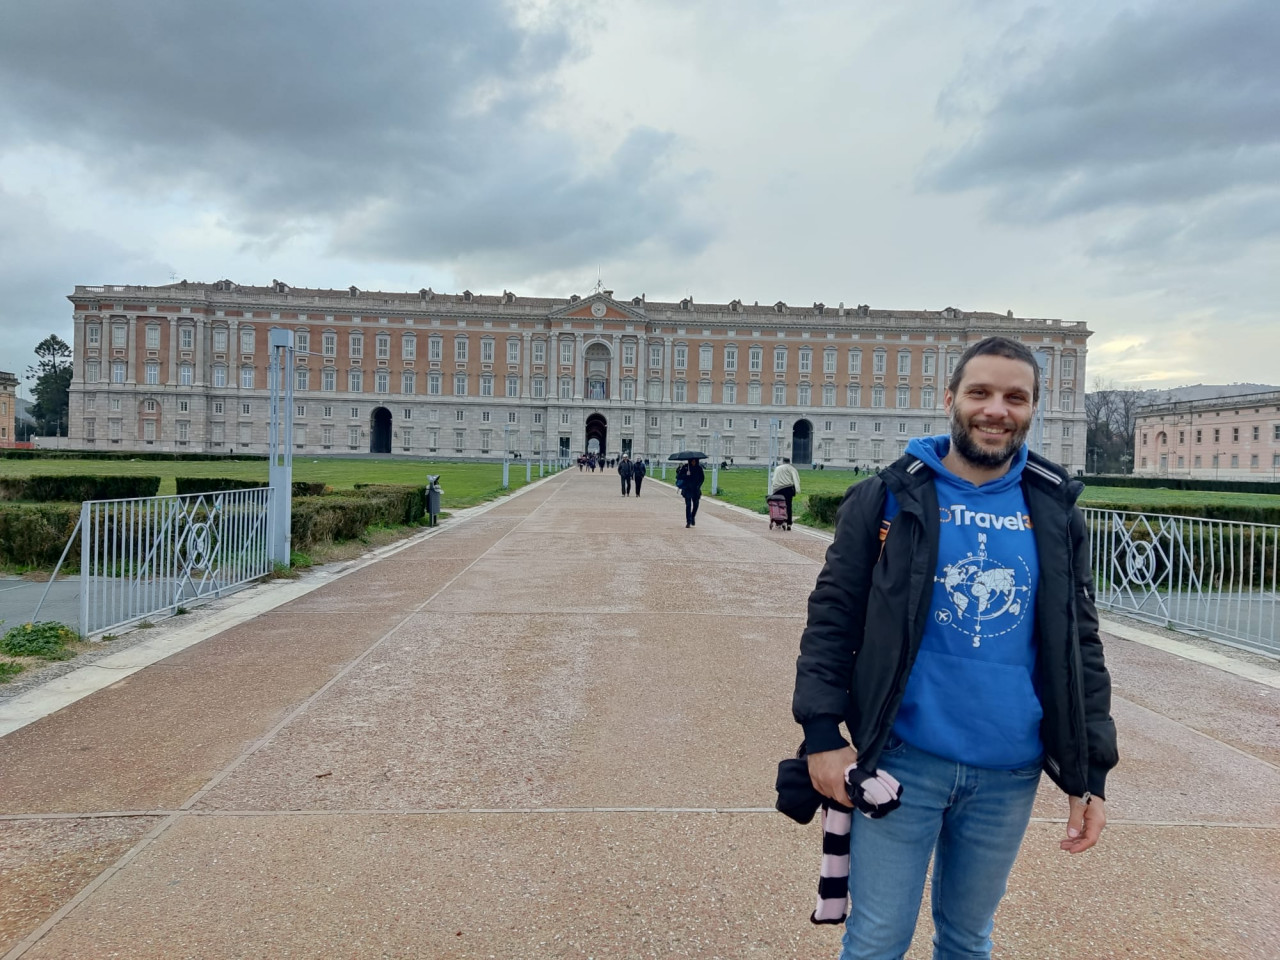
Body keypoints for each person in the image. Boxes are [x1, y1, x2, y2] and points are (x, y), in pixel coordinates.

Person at [791, 336, 1117, 960]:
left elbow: (1081, 646)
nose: (996, 409)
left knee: (969, 941)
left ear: (1032, 410)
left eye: (1014, 397)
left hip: (1009, 769)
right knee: (878, 939)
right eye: (980, 392)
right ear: (951, 400)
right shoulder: (886, 496)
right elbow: (832, 620)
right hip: (903, 760)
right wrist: (822, 734)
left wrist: (1089, 773)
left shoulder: (1054, 510)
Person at [770, 456, 801, 530]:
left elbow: (774, 479)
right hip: (788, 489)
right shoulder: (792, 468)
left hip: (778, 489)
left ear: (783, 462)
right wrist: (797, 489)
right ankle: (789, 523)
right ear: (789, 462)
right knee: (788, 506)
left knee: (778, 505)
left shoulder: (777, 468)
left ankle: (779, 522)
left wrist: (773, 490)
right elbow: (796, 479)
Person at [678, 457, 705, 528]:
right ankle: (688, 521)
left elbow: (702, 478)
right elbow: (679, 476)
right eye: (692, 461)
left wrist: (698, 486)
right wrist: (686, 475)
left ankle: (692, 516)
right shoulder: (686, 467)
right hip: (687, 489)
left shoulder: (699, 468)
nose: (693, 462)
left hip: (695, 489)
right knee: (688, 505)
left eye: (695, 461)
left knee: (696, 505)